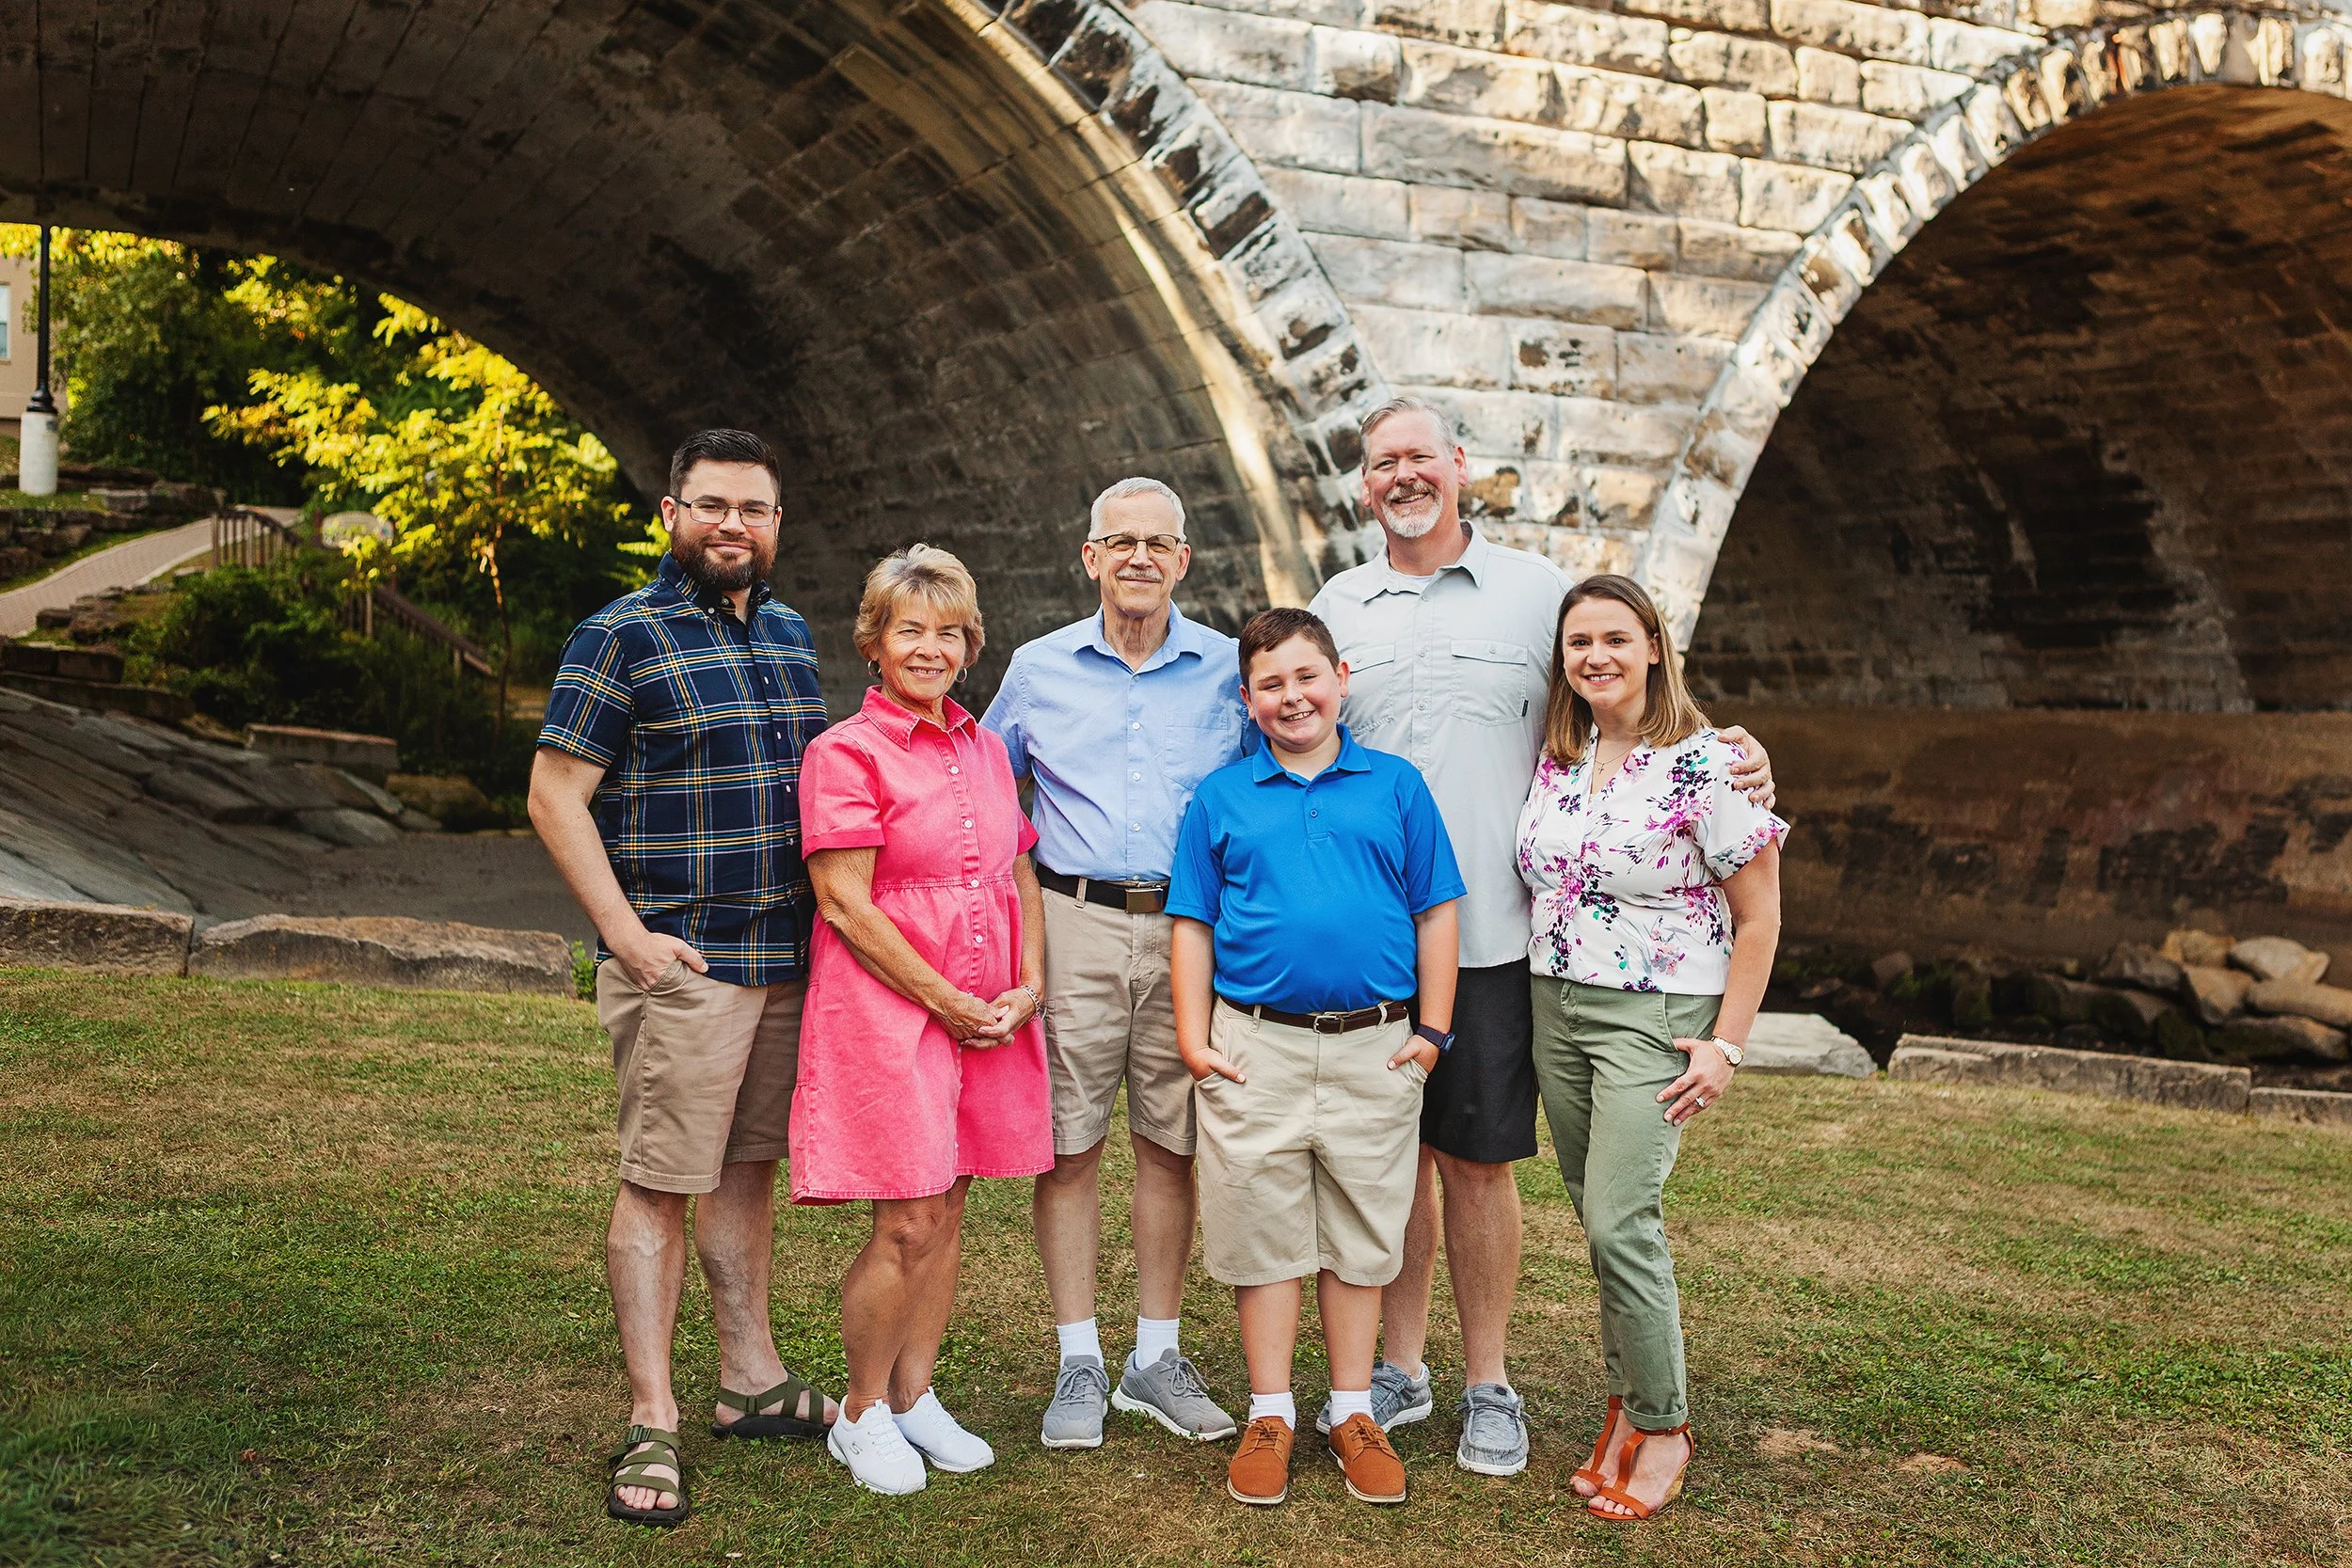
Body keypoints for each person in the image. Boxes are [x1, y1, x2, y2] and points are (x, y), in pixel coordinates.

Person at [1307, 397, 1774, 1475]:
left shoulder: (1534, 597)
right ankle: (1402, 1368)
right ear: (1364, 483)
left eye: (1420, 455)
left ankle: (1488, 1383)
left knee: (1475, 1163)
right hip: (1374, 943)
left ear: (1460, 464)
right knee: (1393, 1163)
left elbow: (1627, 707)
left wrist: (1734, 754)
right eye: (1383, 463)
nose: (1403, 475)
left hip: (1500, 945)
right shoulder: (1340, 603)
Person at [530, 429, 838, 1528]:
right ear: (670, 512)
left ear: (776, 523)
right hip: (685, 960)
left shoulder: (793, 635)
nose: (731, 526)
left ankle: (749, 1375)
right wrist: (625, 935)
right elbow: (555, 794)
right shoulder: (618, 635)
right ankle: (652, 1411)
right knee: (661, 1182)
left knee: (749, 1170)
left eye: (752, 509)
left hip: (783, 958)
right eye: (710, 505)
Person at [1168, 608, 1465, 1509]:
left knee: (1363, 1230)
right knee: (1262, 1228)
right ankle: (1270, 1412)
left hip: (1377, 1045)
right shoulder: (1222, 798)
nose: (1292, 696)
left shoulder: (1396, 785)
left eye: (1306, 676)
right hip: (1255, 1043)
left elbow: (1436, 911)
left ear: (1339, 675)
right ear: (1250, 698)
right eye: (1270, 684)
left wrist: (1432, 1034)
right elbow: (1192, 922)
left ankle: (1349, 1410)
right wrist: (1194, 1037)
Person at [982, 477, 1248, 1449]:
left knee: (1171, 1141)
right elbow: (979, 782)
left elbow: (1290, 764)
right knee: (1069, 1142)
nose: (1139, 557)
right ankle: (1078, 1359)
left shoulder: (1229, 667)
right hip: (1073, 919)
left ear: (1182, 559)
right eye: (1118, 541)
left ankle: (1155, 1354)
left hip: (1189, 929)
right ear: (1089, 556)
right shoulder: (1038, 666)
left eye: (1158, 543)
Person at [1515, 572, 1785, 1521]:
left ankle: (1664, 1424)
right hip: (1555, 1002)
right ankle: (1625, 1405)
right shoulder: (1559, 751)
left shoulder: (1709, 761)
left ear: (1655, 647)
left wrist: (1726, 1045)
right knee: (1596, 1213)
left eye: (1615, 639)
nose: (1595, 656)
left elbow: (1759, 917)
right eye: (1578, 641)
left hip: (1655, 1013)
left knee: (1620, 1218)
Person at [789, 544, 1054, 1496]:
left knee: (949, 1207)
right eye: (912, 630)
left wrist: (1028, 984)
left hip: (990, 1006)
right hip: (892, 1009)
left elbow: (1017, 864)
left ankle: (914, 1394)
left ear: (971, 643)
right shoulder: (844, 753)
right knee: (905, 1216)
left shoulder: (983, 745)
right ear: (875, 641)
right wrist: (949, 1001)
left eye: (950, 631)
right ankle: (859, 1411)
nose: (932, 647)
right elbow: (847, 905)